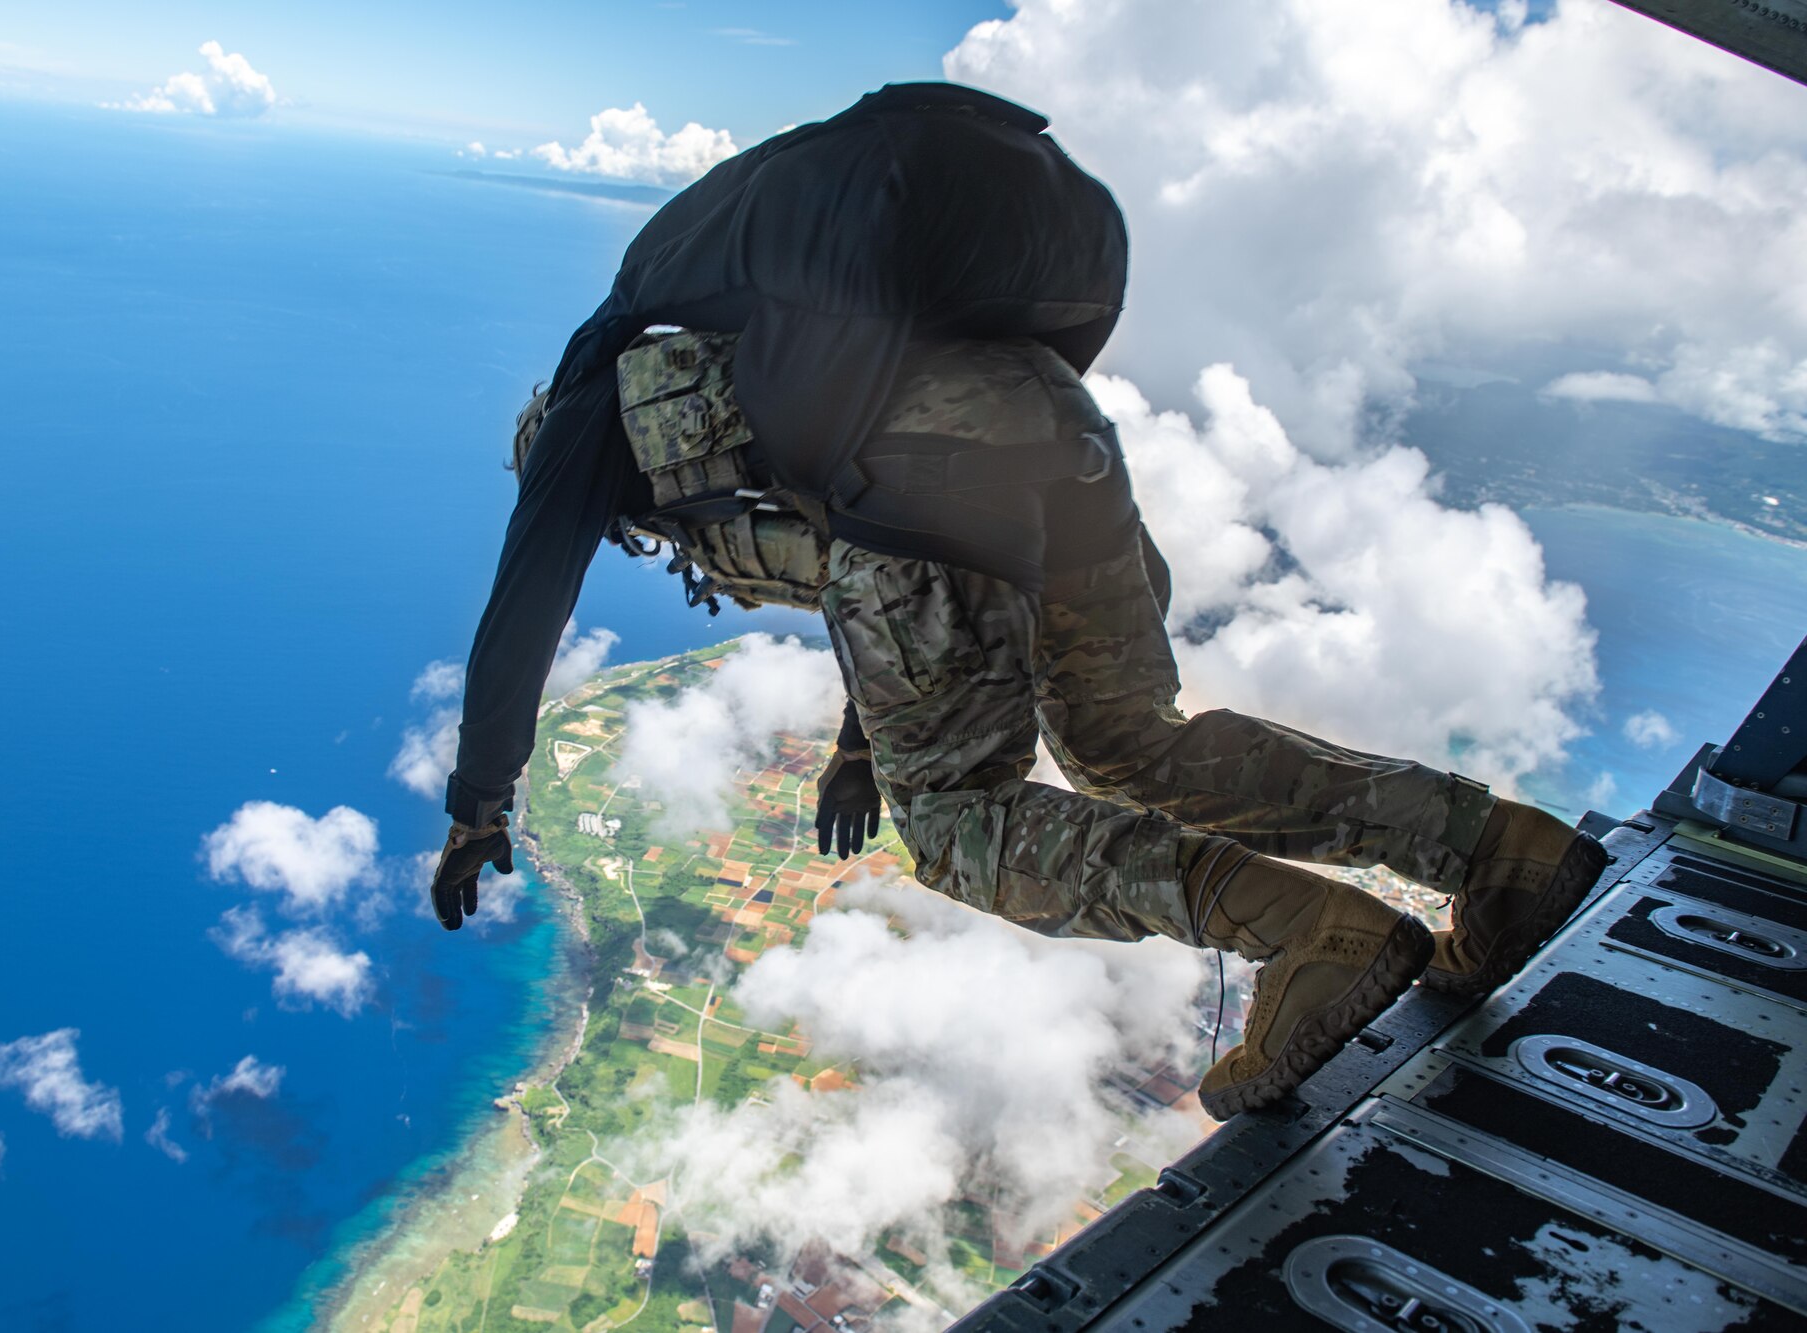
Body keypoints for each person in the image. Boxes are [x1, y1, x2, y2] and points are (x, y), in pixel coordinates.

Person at [429, 83, 1609, 1118]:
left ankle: (1309, 933)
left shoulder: (591, 420)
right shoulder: (785, 359)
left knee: (953, 821)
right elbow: (864, 574)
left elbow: (519, 616)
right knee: (1130, 742)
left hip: (933, 487)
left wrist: (479, 805)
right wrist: (856, 746)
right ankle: (1500, 851)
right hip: (1056, 438)